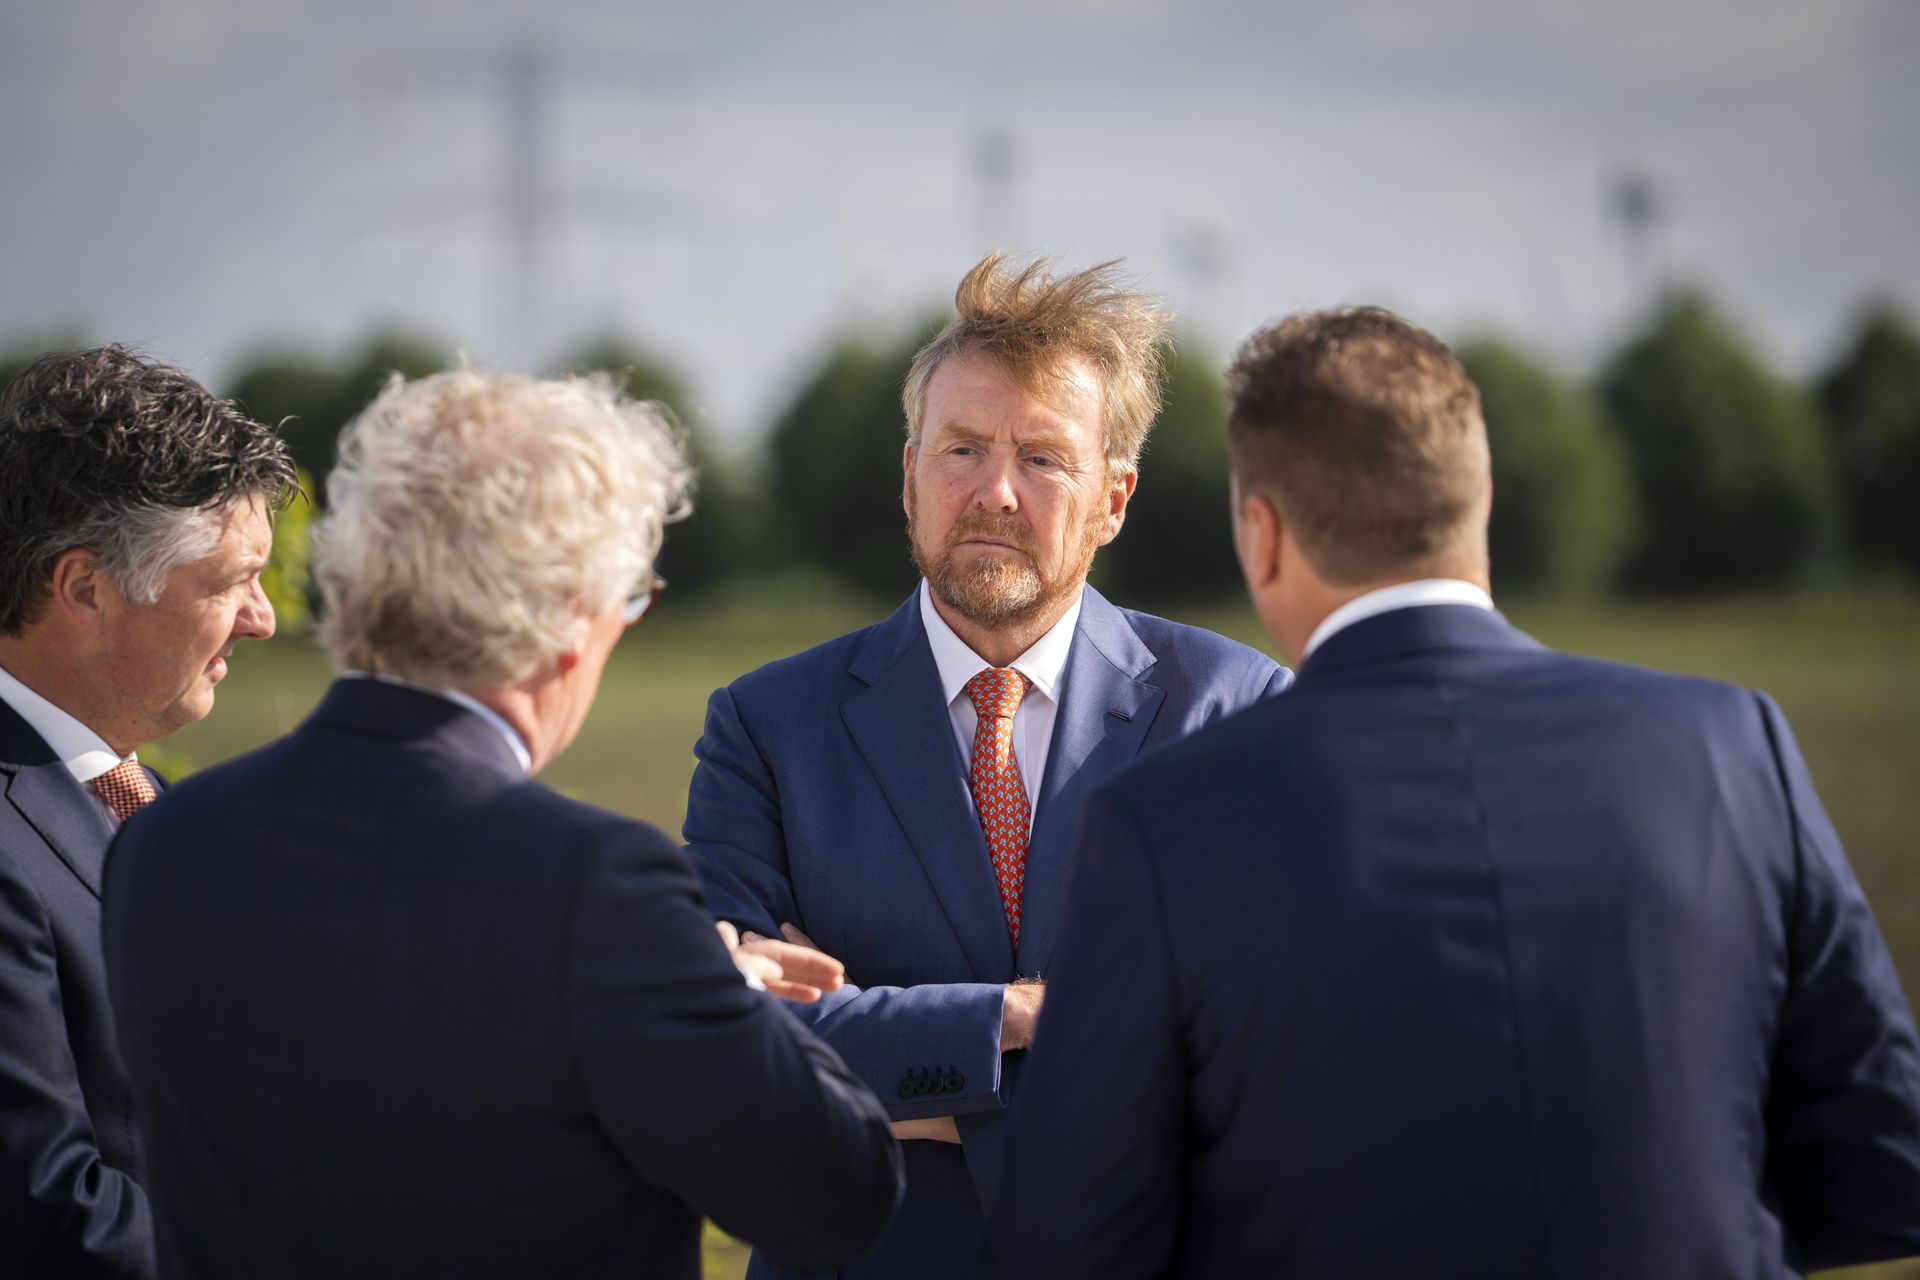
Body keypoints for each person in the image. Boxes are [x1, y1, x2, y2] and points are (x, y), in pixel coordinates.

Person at [988, 306, 1920, 1278]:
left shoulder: (1160, 818)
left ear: (1261, 536)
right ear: (1478, 498)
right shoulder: (1735, 744)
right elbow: (1887, 1166)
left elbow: (1064, 1244)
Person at [103, 368, 904, 1280]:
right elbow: (840, 1191)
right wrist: (725, 991)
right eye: (630, 598)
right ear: (571, 617)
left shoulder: (167, 839)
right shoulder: (599, 890)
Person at [684, 254, 1289, 1279]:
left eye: (1045, 459)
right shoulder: (764, 725)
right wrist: (1032, 1020)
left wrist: (882, 1059)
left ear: (1114, 498)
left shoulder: (1239, 710)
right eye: (962, 447)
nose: (995, 491)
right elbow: (725, 1049)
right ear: (909, 473)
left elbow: (1268, 1052)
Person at [0, 345, 297, 1279]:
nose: (264, 618)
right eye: (229, 581)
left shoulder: (150, 807)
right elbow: (46, 1214)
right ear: (84, 589)